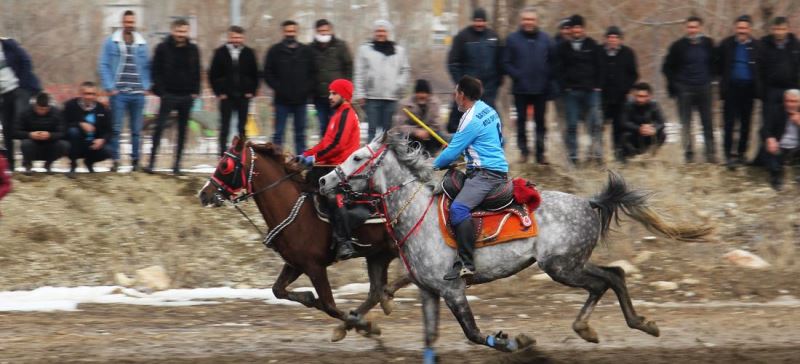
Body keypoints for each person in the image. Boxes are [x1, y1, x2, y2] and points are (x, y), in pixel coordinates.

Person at [434, 76, 508, 281]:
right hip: (495, 169)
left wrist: (431, 165)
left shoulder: (469, 119)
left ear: (462, 95)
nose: (454, 96)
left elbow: (450, 154)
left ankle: (466, 263)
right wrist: (460, 149)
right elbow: (498, 140)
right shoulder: (488, 109)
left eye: (456, 92)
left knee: (458, 209)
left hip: (486, 175)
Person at [295, 79, 364, 260]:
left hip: (343, 168)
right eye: (330, 93)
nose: (330, 97)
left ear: (344, 96)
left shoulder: (347, 114)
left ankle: (344, 242)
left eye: (334, 93)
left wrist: (314, 158)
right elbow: (326, 143)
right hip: (330, 165)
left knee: (333, 196)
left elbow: (338, 146)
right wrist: (305, 154)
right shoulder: (337, 115)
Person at [98, 10, 150, 172]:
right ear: (122, 23)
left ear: (135, 23)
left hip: (138, 93)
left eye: (132, 22)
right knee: (116, 128)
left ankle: (135, 161)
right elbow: (104, 64)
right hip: (119, 93)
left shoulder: (142, 43)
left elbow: (147, 66)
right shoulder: (111, 42)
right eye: (127, 22)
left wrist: (146, 86)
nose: (129, 25)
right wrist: (109, 87)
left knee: (136, 130)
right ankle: (115, 160)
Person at [147, 18, 201, 175]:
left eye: (184, 31)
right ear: (172, 31)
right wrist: (161, 92)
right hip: (168, 95)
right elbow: (155, 71)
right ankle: (151, 163)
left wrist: (195, 92)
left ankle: (177, 165)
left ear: (188, 32)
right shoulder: (162, 48)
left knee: (182, 131)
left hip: (186, 96)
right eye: (178, 31)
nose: (181, 34)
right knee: (159, 128)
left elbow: (197, 71)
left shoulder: (193, 49)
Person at [503, 7, 555, 164]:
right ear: (521, 21)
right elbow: (505, 62)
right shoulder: (512, 39)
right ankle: (524, 153)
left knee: (541, 122)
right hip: (520, 89)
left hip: (541, 89)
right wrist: (517, 75)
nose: (528, 22)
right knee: (521, 122)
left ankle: (540, 154)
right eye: (526, 19)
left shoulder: (546, 39)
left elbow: (553, 62)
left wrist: (547, 78)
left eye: (531, 19)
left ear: (536, 21)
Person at [662, 16, 717, 163]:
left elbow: (716, 63)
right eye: (689, 27)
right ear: (685, 28)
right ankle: (688, 155)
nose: (692, 30)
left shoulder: (708, 44)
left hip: (704, 87)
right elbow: (666, 67)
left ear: (700, 28)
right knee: (686, 123)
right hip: (684, 89)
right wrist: (676, 84)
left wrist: (712, 79)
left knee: (707, 122)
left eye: (695, 27)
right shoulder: (678, 46)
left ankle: (711, 155)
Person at [556, 14, 604, 166]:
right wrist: (565, 86)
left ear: (583, 29)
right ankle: (573, 157)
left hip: (591, 92)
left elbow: (600, 67)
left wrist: (597, 86)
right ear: (570, 29)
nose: (576, 30)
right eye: (574, 27)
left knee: (594, 124)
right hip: (571, 93)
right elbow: (558, 69)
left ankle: (596, 156)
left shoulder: (592, 45)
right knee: (572, 125)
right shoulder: (562, 47)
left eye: (579, 27)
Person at [446, 8, 503, 133]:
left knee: (491, 123)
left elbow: (501, 63)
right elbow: (453, 63)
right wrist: (462, 83)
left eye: (482, 21)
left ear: (486, 22)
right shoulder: (462, 37)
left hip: (488, 90)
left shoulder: (494, 37)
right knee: (458, 121)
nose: (479, 24)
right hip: (467, 91)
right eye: (477, 21)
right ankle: (455, 142)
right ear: (472, 21)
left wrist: (496, 83)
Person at [354, 19, 411, 141]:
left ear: (388, 33)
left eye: (383, 31)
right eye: (378, 31)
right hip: (371, 97)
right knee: (372, 131)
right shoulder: (365, 50)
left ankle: (386, 153)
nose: (380, 33)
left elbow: (405, 70)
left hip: (391, 97)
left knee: (388, 132)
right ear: (374, 32)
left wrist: (399, 85)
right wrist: (360, 93)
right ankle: (371, 153)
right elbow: (359, 72)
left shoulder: (399, 51)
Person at [264, 20, 315, 154]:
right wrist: (278, 88)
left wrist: (306, 90)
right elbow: (267, 73)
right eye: (287, 31)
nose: (290, 34)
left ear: (297, 32)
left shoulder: (306, 51)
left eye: (292, 31)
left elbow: (313, 73)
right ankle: (276, 161)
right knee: (278, 134)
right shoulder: (274, 51)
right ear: (283, 32)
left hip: (301, 101)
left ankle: (300, 160)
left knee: (300, 134)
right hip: (281, 101)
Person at [717, 15, 761, 170]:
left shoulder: (757, 45)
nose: (741, 31)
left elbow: (762, 67)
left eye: (744, 28)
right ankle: (728, 155)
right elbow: (717, 64)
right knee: (729, 123)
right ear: (735, 28)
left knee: (746, 124)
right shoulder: (726, 44)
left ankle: (742, 154)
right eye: (739, 27)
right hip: (731, 89)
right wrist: (721, 82)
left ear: (749, 29)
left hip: (749, 90)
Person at [209, 25, 258, 157]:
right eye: (234, 37)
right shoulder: (220, 52)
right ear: (229, 37)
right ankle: (222, 156)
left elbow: (255, 74)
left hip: (243, 96)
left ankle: (242, 156)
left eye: (239, 37)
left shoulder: (249, 52)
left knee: (242, 128)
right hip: (226, 97)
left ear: (243, 38)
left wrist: (251, 91)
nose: (237, 40)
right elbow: (213, 74)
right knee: (224, 128)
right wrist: (219, 92)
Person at [756, 17, 800, 166]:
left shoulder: (795, 44)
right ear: (772, 29)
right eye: (776, 29)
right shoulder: (764, 44)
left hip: (791, 89)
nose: (779, 32)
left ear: (787, 29)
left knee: (792, 121)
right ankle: (765, 156)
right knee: (768, 123)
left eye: (782, 29)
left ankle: (792, 154)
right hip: (770, 90)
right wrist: (761, 92)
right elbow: (758, 69)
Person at [1, 36, 41, 173]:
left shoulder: (8, 45)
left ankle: (27, 161)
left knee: (20, 122)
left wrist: (22, 84)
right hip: (4, 93)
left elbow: (26, 61)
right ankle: (10, 164)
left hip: (20, 89)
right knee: (7, 127)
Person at [600, 26, 639, 162]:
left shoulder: (628, 53)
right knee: (598, 127)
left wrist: (626, 88)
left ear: (620, 39)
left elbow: (633, 74)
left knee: (620, 128)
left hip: (621, 98)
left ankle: (620, 156)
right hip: (602, 98)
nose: (612, 40)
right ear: (606, 39)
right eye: (610, 37)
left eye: (615, 37)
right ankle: (597, 157)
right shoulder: (599, 52)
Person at [310, 19, 353, 135]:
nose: (323, 33)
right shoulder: (310, 48)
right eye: (320, 31)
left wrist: (346, 89)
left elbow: (348, 66)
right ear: (316, 32)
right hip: (319, 96)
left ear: (331, 31)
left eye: (326, 30)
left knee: (337, 126)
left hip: (337, 96)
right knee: (323, 127)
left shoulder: (340, 46)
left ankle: (338, 147)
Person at [63, 82, 112, 177]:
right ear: (80, 93)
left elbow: (108, 130)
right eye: (86, 94)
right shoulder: (70, 105)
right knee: (73, 131)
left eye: (93, 94)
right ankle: (73, 166)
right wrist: (79, 124)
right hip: (74, 143)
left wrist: (102, 139)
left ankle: (89, 162)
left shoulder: (101, 108)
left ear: (96, 95)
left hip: (92, 144)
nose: (89, 97)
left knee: (109, 150)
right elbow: (63, 125)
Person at [14, 93, 68, 175]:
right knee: (26, 144)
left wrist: (50, 135)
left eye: (45, 109)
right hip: (32, 143)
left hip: (50, 144)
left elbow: (62, 132)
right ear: (35, 105)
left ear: (49, 107)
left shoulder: (56, 113)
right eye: (39, 109)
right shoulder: (25, 112)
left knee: (64, 145)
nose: (41, 111)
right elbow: (15, 132)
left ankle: (48, 164)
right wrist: (30, 135)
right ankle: (28, 165)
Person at [392, 79, 443, 155]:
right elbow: (400, 126)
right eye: (420, 93)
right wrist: (416, 131)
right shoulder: (404, 104)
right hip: (411, 136)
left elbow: (437, 124)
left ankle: (433, 155)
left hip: (429, 135)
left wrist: (427, 132)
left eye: (425, 93)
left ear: (429, 94)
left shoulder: (435, 103)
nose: (422, 95)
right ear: (415, 93)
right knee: (402, 137)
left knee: (440, 136)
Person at [619, 83, 666, 161]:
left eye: (643, 96)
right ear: (634, 95)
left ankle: (650, 155)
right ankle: (633, 157)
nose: (640, 99)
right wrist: (639, 128)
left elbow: (661, 122)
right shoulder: (628, 105)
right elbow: (624, 122)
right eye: (638, 96)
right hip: (634, 134)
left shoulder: (654, 105)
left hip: (649, 134)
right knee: (624, 136)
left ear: (649, 96)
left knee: (662, 134)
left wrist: (654, 129)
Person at [763, 89, 800, 190]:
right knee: (771, 152)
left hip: (797, 147)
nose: (790, 104)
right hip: (780, 145)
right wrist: (770, 138)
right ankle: (776, 176)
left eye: (794, 101)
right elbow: (765, 129)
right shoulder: (776, 110)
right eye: (787, 101)